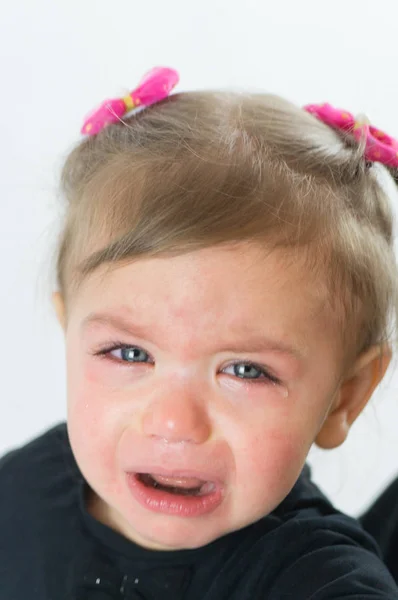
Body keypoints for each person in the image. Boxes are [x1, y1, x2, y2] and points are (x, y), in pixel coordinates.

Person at [1, 65, 398, 599]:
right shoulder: (20, 491)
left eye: (245, 370)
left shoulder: (319, 582)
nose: (173, 422)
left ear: (344, 397)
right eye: (129, 353)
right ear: (69, 332)